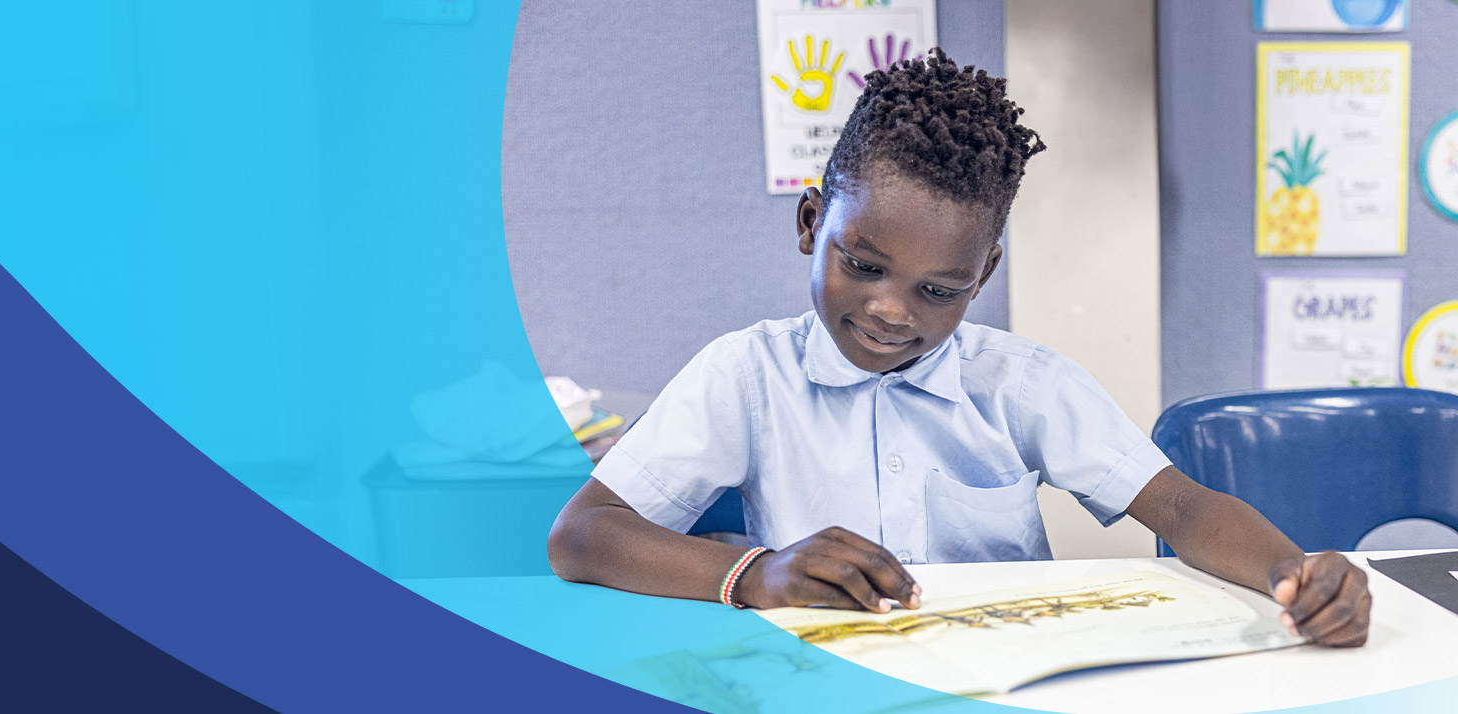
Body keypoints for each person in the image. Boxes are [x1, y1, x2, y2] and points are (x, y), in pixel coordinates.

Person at [546, 49, 1369, 647]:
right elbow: (582, 536)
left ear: (982, 278)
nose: (891, 312)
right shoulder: (746, 376)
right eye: (863, 266)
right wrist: (753, 574)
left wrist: (1293, 574)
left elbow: (1183, 508)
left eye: (939, 290)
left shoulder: (1023, 383)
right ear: (810, 226)